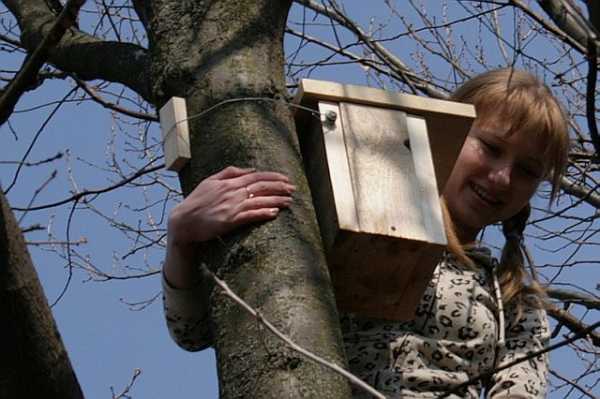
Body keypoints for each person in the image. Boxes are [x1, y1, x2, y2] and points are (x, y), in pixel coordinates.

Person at [162, 68, 570, 398]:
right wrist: (184, 237)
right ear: (448, 131)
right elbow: (195, 331)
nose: (502, 178)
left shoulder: (516, 302)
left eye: (528, 171)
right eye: (491, 147)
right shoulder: (346, 216)